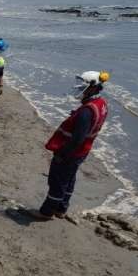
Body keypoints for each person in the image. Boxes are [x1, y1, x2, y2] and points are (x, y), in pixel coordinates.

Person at [31, 71, 110, 220]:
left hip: (70, 153)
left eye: (84, 87)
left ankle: (46, 212)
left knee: (57, 182)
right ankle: (61, 209)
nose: (80, 89)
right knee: (69, 179)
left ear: (93, 88)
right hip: (82, 152)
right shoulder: (101, 104)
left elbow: (77, 139)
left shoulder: (86, 112)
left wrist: (62, 154)